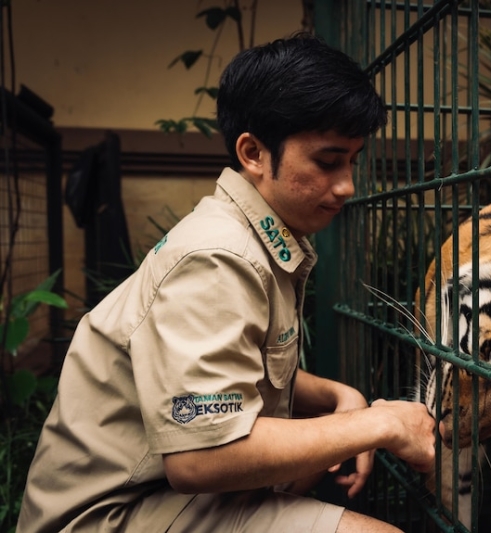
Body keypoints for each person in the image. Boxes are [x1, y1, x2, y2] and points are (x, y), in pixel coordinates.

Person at [18, 33, 436, 533]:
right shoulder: (217, 257)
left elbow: (219, 375)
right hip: (109, 516)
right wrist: (378, 424)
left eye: (352, 161)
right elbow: (200, 457)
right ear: (254, 153)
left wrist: (336, 396)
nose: (347, 185)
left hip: (160, 498)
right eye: (328, 162)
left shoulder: (251, 236)